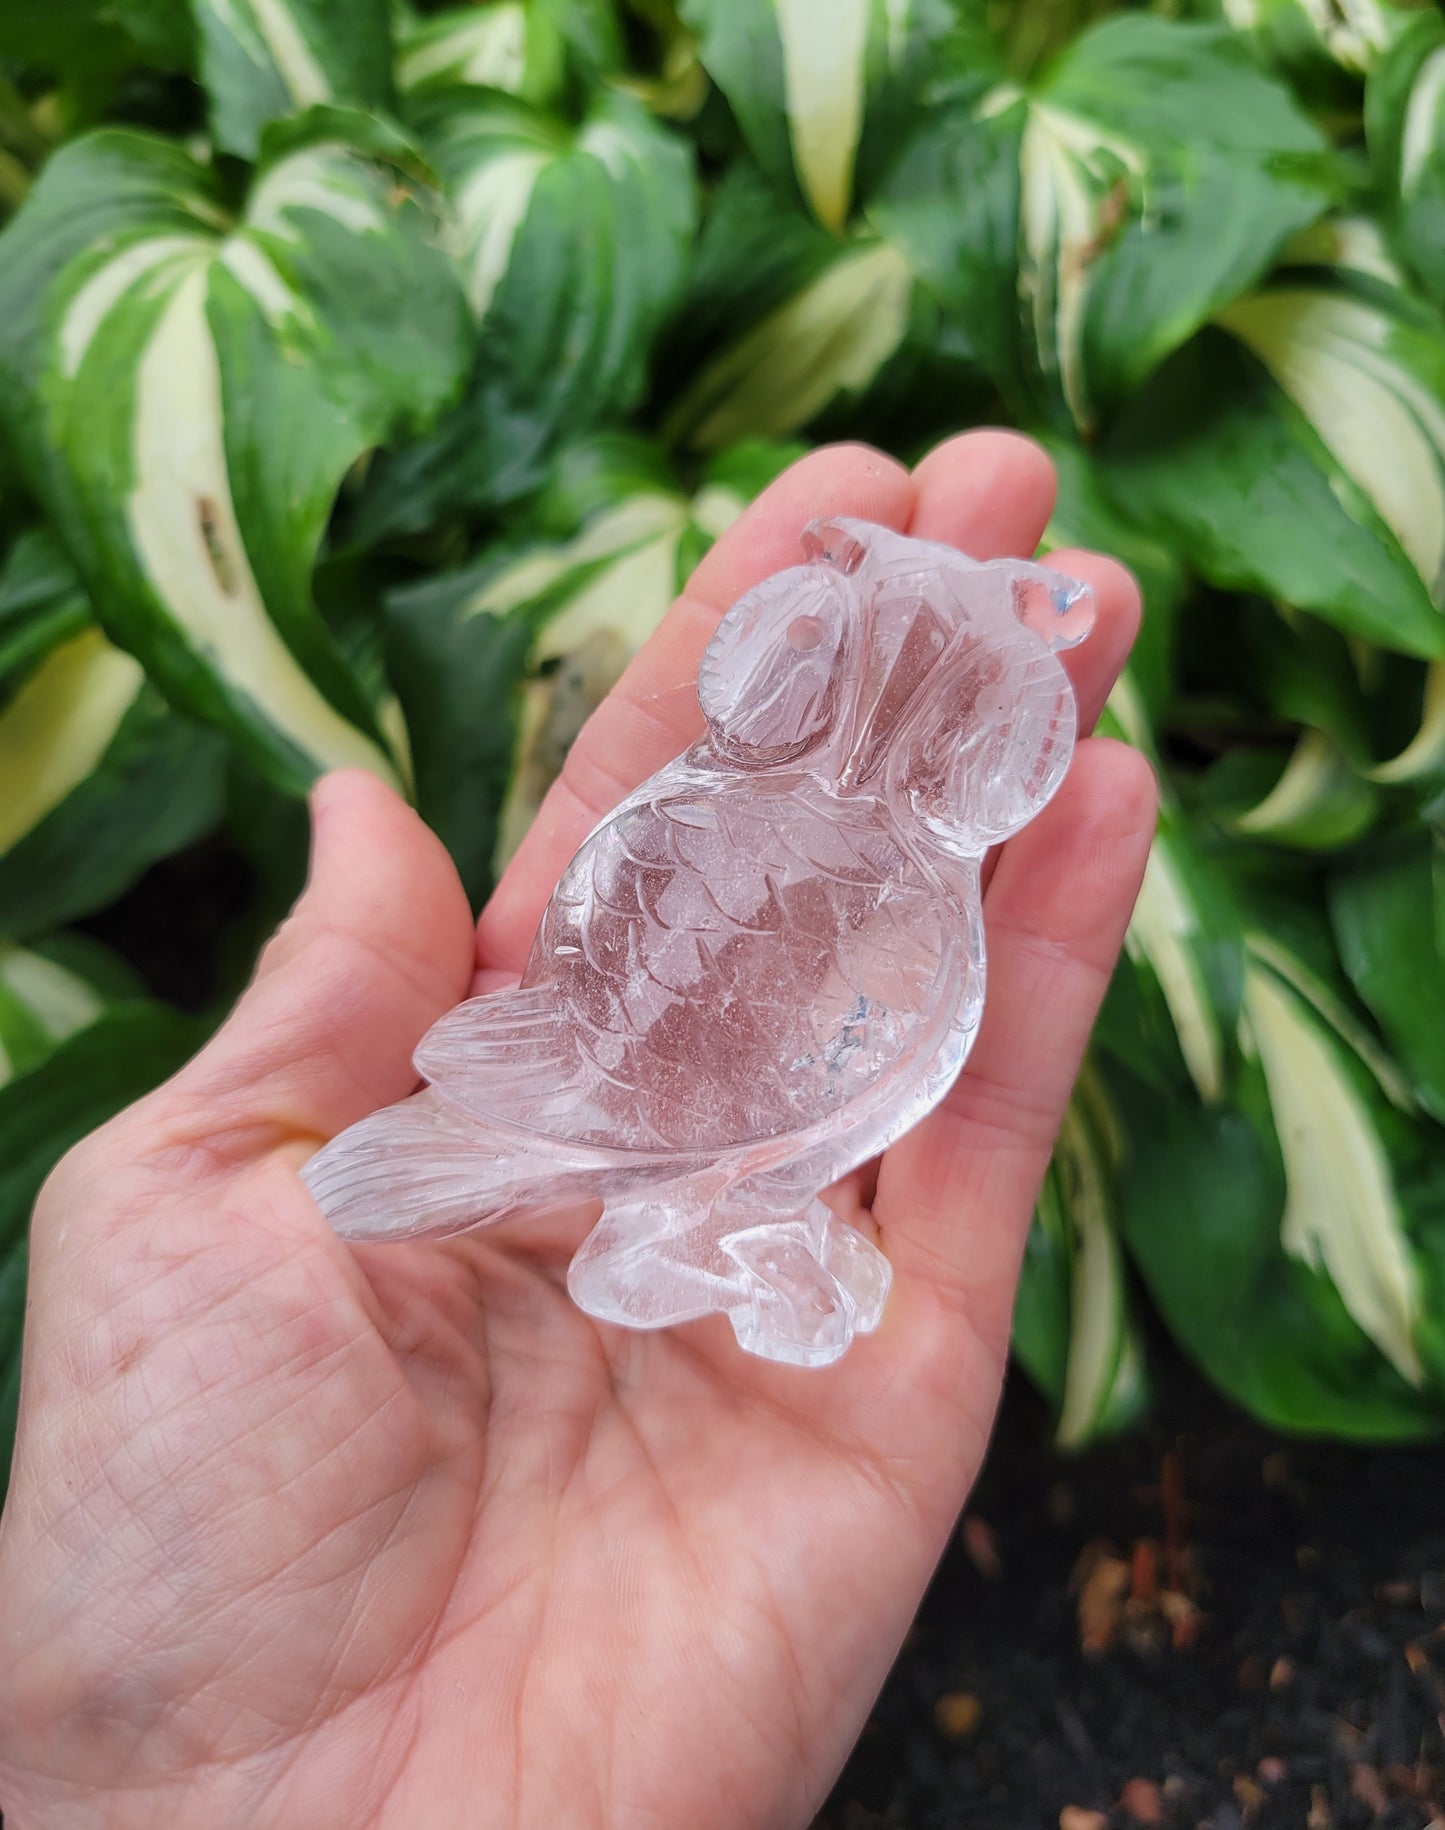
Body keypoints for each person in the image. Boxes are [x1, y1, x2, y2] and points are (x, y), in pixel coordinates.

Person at [0, 433, 1154, 1829]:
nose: (866, 725)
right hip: (605, 1075)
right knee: (654, 1125)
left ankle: (684, 1209)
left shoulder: (872, 887)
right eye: (837, 662)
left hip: (635, 1097)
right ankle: (677, 1209)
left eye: (952, 699)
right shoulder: (717, 815)